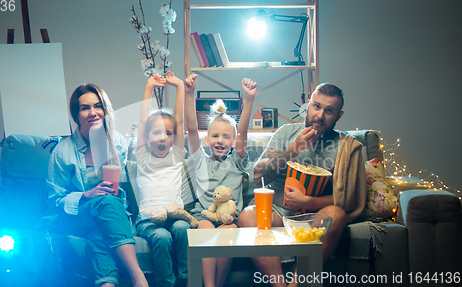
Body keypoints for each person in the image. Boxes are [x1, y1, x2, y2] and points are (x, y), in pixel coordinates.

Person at [237, 83, 367, 287]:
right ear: (308, 104)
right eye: (316, 106)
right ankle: (280, 285)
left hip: (314, 218)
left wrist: (309, 201)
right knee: (247, 216)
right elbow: (258, 174)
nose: (320, 115)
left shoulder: (346, 146)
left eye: (329, 111)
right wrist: (292, 150)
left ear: (338, 116)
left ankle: (297, 283)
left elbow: (347, 198)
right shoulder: (287, 132)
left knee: (337, 215)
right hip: (278, 213)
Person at [47, 84, 148, 287]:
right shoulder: (62, 151)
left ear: (105, 110)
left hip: (108, 217)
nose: (93, 113)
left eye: (98, 106)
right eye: (85, 108)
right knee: (107, 203)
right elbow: (54, 199)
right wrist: (86, 195)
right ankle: (138, 276)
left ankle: (107, 284)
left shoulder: (117, 143)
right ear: (76, 114)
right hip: (77, 215)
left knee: (100, 232)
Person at [184, 74, 257, 287]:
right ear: (207, 140)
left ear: (234, 141)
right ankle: (210, 285)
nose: (220, 141)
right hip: (204, 217)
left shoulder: (237, 161)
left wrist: (249, 98)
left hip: (229, 220)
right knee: (206, 232)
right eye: (215, 136)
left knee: (229, 235)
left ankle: (218, 284)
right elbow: (190, 129)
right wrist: (189, 94)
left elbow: (243, 130)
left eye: (226, 137)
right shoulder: (200, 161)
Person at [134, 71, 190, 287]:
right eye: (156, 132)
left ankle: (187, 279)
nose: (163, 137)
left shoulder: (176, 155)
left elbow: (179, 120)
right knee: (163, 237)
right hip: (148, 221)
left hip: (176, 216)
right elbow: (142, 120)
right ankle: (166, 283)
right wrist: (149, 87)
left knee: (183, 230)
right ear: (147, 137)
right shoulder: (142, 156)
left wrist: (180, 88)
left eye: (168, 133)